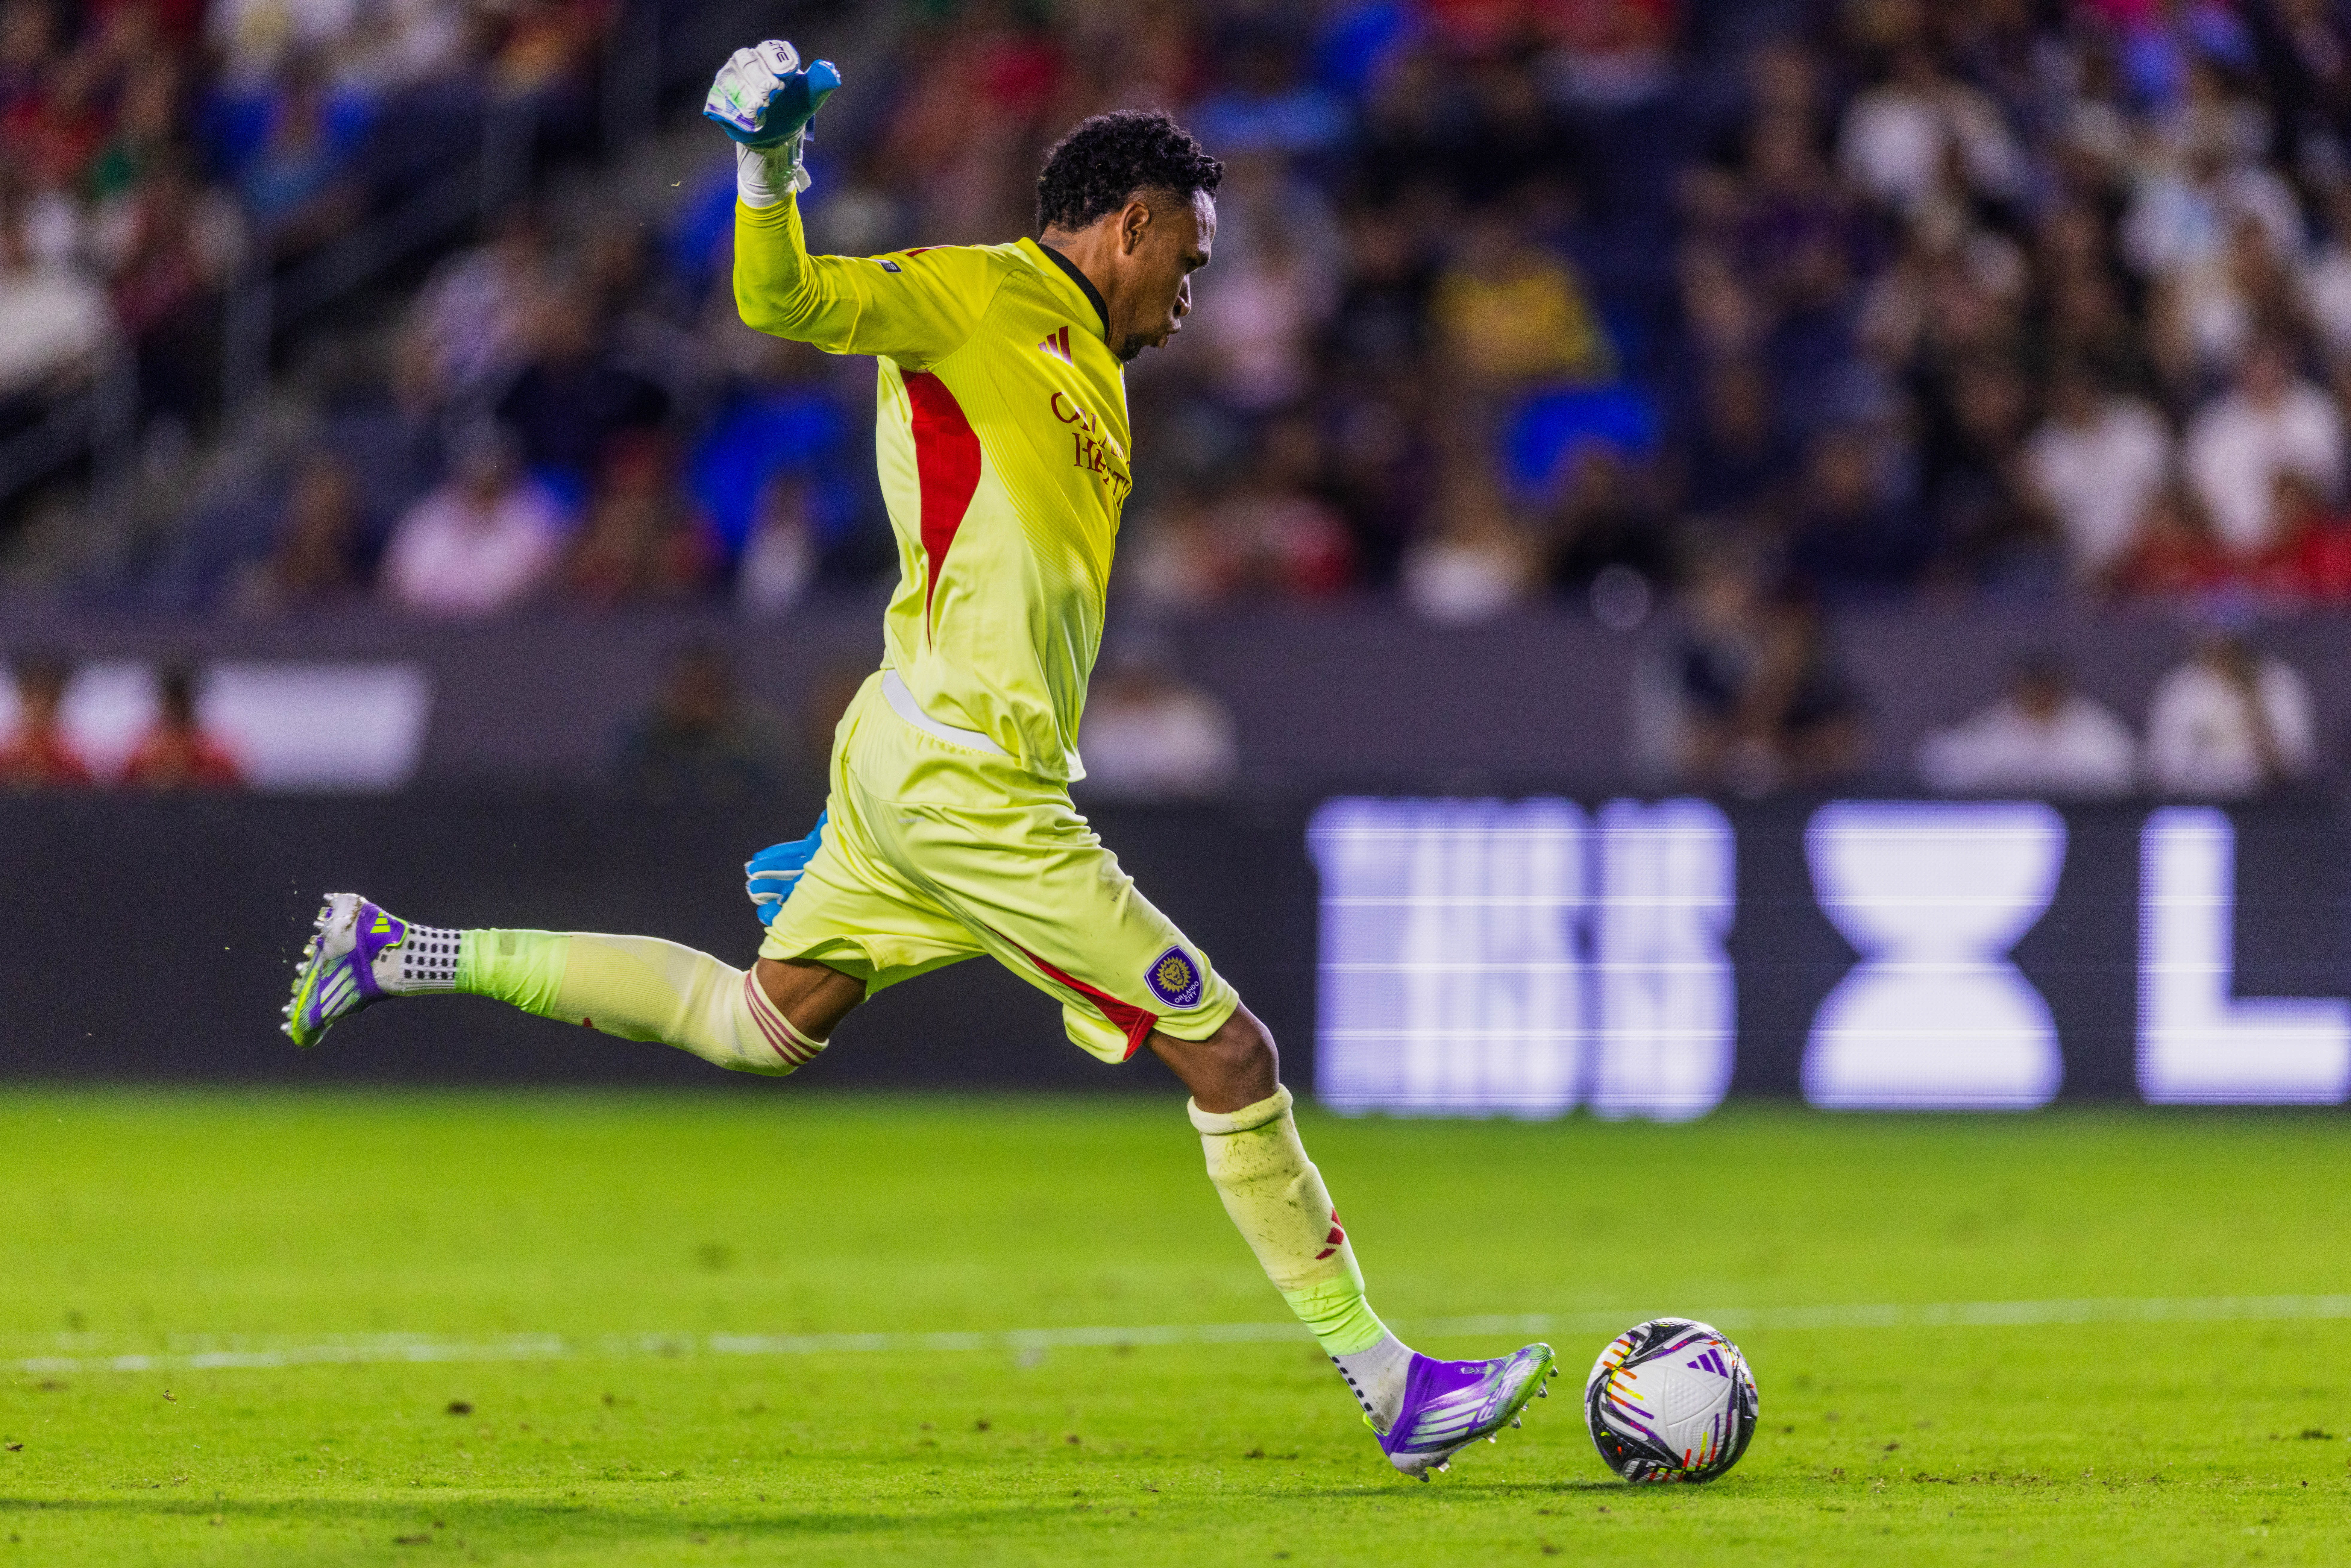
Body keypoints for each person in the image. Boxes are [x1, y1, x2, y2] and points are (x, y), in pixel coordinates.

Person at [279, 42, 1555, 1480]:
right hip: (968, 784)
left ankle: (397, 950)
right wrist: (770, 167)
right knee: (1230, 1050)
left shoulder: (1096, 366)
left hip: (921, 757)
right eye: (1188, 261)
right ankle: (1393, 1383)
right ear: (1130, 225)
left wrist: (880, 815)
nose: (1192, 293)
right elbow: (783, 300)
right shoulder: (974, 292)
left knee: (759, 1022)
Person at [1915, 653, 2137, 798]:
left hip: (2089, 828)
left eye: (2045, 688)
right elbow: (1942, 763)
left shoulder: (2094, 726)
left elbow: (2126, 771)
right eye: (2031, 688)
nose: (2038, 695)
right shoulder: (1995, 726)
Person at [2144, 630, 2316, 797]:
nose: (2222, 644)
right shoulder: (2178, 689)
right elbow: (2165, 770)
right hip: (2196, 804)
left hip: (2267, 803)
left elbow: (2296, 766)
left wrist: (2254, 704)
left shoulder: (2277, 681)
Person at [121, 663, 244, 790]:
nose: (177, 707)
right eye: (172, 700)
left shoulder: (216, 761)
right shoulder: (143, 761)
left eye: (182, 701)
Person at [0, 648, 93, 788]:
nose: (40, 703)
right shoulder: (6, 762)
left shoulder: (71, 768)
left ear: (58, 696)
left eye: (48, 694)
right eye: (33, 693)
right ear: (21, 693)